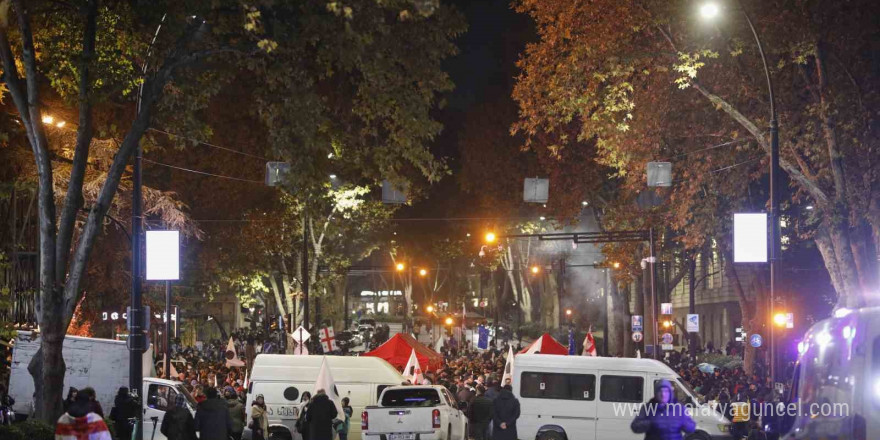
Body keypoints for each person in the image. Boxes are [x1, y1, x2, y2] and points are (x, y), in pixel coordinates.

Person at [631, 379, 696, 440]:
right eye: (660, 391)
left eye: (666, 391)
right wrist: (651, 423)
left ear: (670, 393)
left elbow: (691, 428)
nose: (663, 394)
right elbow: (635, 426)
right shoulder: (648, 407)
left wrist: (683, 423)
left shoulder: (679, 408)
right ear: (656, 393)